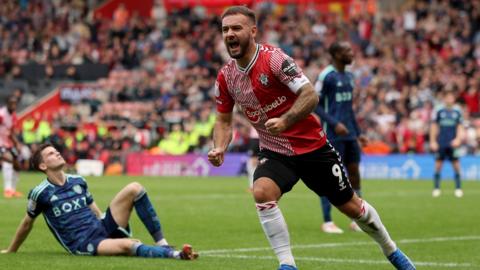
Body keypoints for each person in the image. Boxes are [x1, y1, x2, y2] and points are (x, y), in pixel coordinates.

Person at [208, 6, 415, 270]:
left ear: (253, 31)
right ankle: (287, 265)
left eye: (236, 28)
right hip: (276, 151)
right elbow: (223, 120)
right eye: (225, 29)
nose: (230, 34)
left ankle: (392, 251)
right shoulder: (226, 77)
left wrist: (285, 120)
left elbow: (310, 95)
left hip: (312, 147)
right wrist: (220, 148)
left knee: (352, 207)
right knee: (261, 192)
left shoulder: (274, 60)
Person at [1, 143, 198, 260]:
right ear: (43, 165)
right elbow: (28, 222)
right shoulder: (40, 193)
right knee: (128, 246)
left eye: (56, 151)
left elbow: (92, 207)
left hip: (100, 226)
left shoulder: (78, 181)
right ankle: (176, 255)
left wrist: (110, 223)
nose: (57, 153)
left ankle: (163, 245)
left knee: (135, 188)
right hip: (84, 242)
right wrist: (11, 250)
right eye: (51, 154)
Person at [314, 41, 366, 234]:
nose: (352, 54)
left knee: (354, 173)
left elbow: (349, 108)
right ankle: (327, 221)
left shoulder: (350, 77)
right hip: (333, 133)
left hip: (350, 134)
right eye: (347, 51)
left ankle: (357, 218)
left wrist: (359, 133)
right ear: (336, 54)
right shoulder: (326, 76)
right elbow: (314, 104)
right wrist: (334, 123)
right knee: (331, 177)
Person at [429, 90, 464, 198]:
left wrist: (458, 139)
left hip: (453, 143)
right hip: (441, 143)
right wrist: (433, 141)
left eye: (451, 97)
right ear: (444, 99)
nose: (449, 99)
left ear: (453, 99)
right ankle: (436, 188)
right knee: (438, 166)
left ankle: (458, 188)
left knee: (456, 166)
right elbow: (434, 126)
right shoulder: (439, 111)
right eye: (447, 97)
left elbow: (460, 127)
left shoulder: (457, 112)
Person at [0, 96, 22, 198]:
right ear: (7, 104)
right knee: (8, 160)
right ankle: (7, 190)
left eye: (15, 103)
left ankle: (13, 190)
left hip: (8, 143)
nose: (14, 105)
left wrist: (17, 143)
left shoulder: (13, 116)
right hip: (0, 143)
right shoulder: (1, 114)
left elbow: (11, 132)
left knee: (17, 166)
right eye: (12, 103)